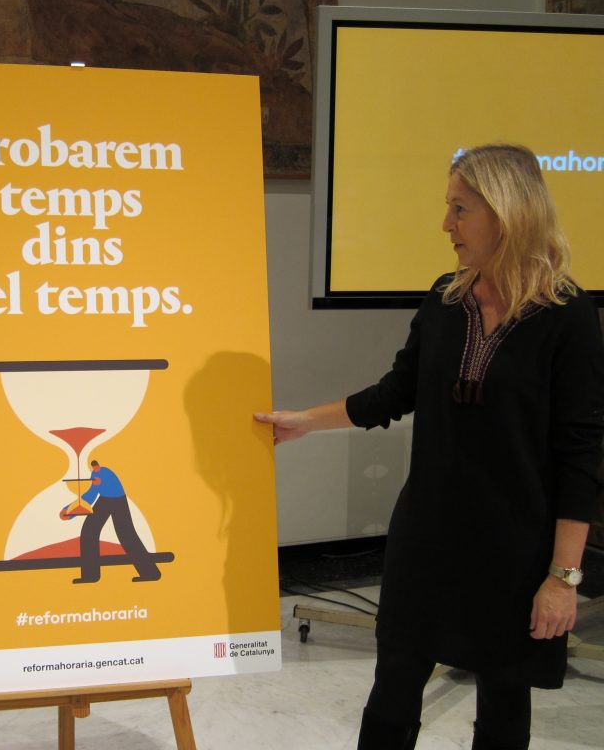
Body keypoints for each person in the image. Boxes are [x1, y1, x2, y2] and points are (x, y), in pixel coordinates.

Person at [256, 144, 603, 750]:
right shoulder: (445, 300)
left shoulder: (567, 315)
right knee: (393, 689)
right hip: (427, 535)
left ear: (507, 212)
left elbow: (581, 454)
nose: (447, 224)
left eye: (460, 209)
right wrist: (305, 421)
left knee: (504, 701)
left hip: (516, 549)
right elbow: (397, 391)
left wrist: (562, 578)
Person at [61, 460, 161, 583]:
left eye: (96, 467)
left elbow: (114, 488)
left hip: (118, 500)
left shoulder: (107, 473)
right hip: (104, 500)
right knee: (89, 531)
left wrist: (102, 483)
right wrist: (69, 511)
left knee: (126, 534)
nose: (95, 468)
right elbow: (91, 495)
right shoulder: (95, 474)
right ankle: (90, 575)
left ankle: (150, 572)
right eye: (93, 467)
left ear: (98, 466)